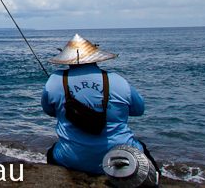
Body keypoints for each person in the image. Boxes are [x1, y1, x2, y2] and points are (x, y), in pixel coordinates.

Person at [41, 34, 153, 174]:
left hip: (71, 158)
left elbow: (49, 111)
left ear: (67, 59)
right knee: (142, 152)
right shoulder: (118, 81)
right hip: (120, 156)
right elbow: (138, 110)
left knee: (51, 153)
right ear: (95, 58)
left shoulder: (55, 81)